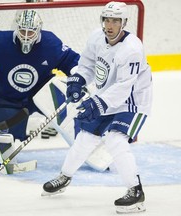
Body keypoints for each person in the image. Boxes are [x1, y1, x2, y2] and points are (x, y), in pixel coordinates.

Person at [42, 2, 152, 214]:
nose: (110, 25)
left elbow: (124, 87)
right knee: (85, 136)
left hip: (133, 100)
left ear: (124, 23)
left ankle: (136, 191)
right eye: (107, 20)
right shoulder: (96, 37)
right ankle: (64, 176)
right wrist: (78, 80)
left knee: (115, 139)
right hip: (107, 95)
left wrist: (96, 102)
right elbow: (87, 65)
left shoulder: (132, 49)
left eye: (115, 21)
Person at [0, 9, 80, 142]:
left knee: (75, 118)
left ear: (38, 30)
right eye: (23, 31)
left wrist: (78, 78)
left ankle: (84, 141)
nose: (26, 36)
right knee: (6, 142)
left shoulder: (50, 43)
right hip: (10, 100)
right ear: (17, 27)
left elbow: (70, 60)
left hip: (44, 96)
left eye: (31, 32)